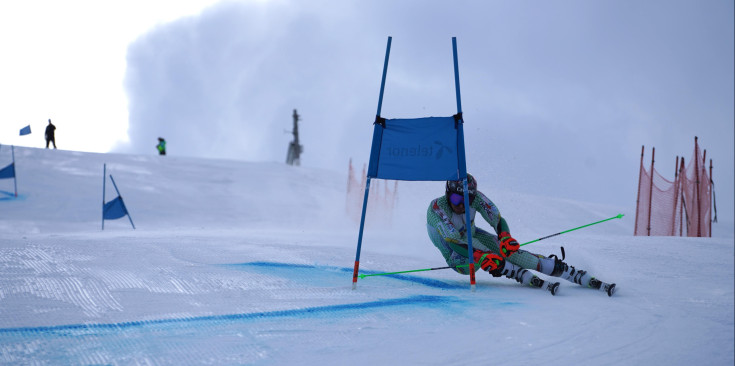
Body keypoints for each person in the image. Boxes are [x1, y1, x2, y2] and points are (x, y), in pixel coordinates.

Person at [426, 174, 616, 296]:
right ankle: (512, 270)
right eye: (456, 199)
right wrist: (480, 256)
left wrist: (505, 237)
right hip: (455, 254)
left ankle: (561, 269)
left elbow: (497, 220)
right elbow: (454, 244)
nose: (461, 205)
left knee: (508, 251)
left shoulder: (477, 198)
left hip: (472, 237)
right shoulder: (437, 209)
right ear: (447, 194)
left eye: (467, 200)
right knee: (484, 254)